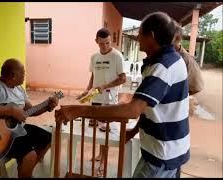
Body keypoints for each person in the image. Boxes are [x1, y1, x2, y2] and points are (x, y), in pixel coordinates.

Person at [56, 12, 190, 178]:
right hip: (165, 149)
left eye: (140, 33)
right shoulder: (169, 60)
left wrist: (77, 110)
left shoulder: (162, 67)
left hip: (162, 153)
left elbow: (133, 110)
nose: (138, 37)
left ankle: (102, 157)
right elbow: (151, 107)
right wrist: (133, 131)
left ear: (152, 36)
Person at [0, 58, 58, 178]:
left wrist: (47, 107)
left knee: (49, 138)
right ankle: (26, 168)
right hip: (2, 136)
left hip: (18, 129)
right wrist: (10, 110)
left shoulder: (19, 89)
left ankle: (25, 171)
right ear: (13, 75)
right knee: (30, 155)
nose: (24, 76)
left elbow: (29, 111)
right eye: (23, 73)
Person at [76, 28, 126, 176]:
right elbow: (93, 76)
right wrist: (87, 90)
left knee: (106, 130)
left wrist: (105, 86)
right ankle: (99, 154)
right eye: (101, 43)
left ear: (111, 41)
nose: (104, 46)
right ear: (96, 41)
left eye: (107, 43)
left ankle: (103, 161)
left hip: (109, 99)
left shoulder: (117, 56)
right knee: (97, 128)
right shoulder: (94, 57)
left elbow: (123, 78)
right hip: (96, 97)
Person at [173, 21, 204, 178]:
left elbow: (197, 86)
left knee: (175, 148)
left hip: (178, 111)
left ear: (177, 39)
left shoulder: (186, 59)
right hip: (167, 113)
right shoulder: (166, 57)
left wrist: (179, 93)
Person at [173, 22, 204, 95]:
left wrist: (178, 97)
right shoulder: (160, 55)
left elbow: (196, 88)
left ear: (176, 38)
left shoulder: (187, 59)